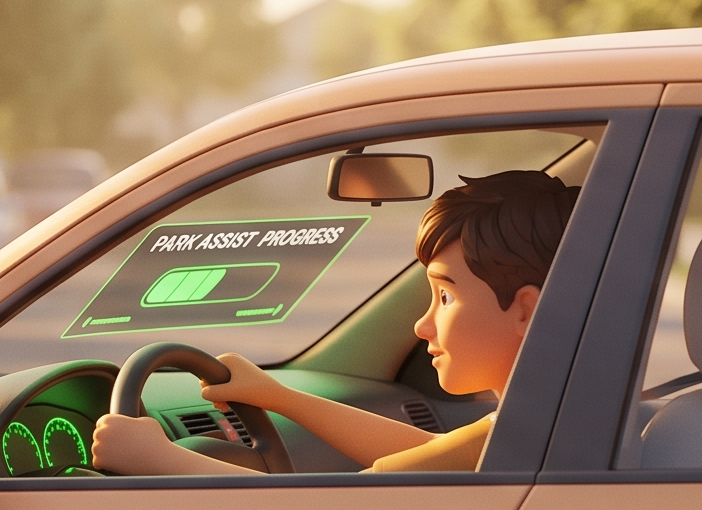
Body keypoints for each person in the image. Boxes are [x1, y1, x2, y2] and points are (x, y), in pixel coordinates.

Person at [91, 170, 579, 476]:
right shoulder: (547, 426)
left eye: (445, 296)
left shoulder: (518, 437)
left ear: (525, 310)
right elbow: (431, 451)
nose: (421, 326)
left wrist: (156, 459)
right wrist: (278, 396)